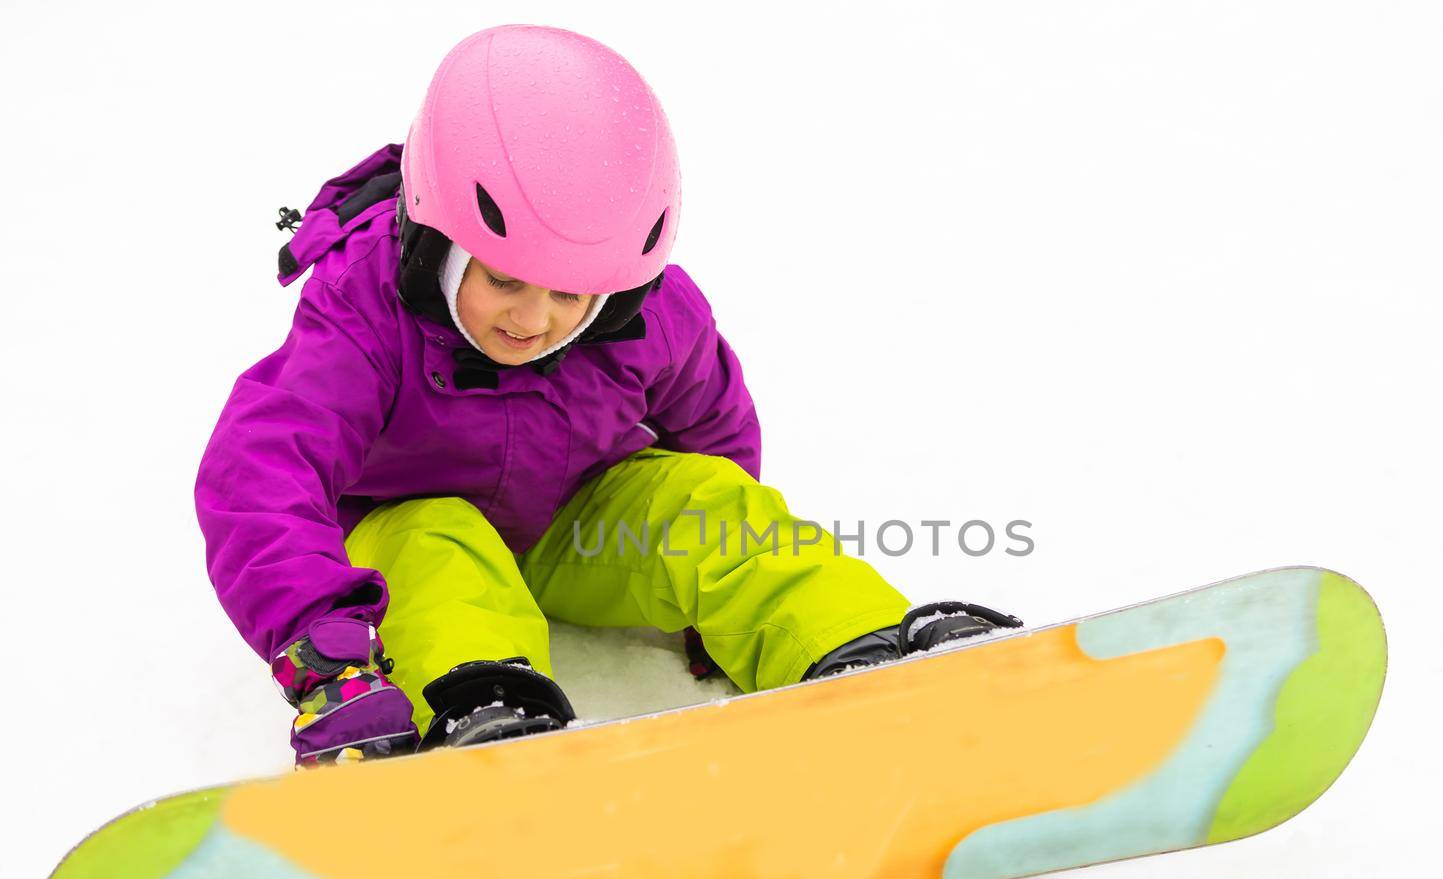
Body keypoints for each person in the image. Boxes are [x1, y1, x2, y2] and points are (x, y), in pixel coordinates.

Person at [195, 25, 1022, 767]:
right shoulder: (362, 308)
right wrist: (324, 648)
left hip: (572, 521)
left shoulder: (649, 313)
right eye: (505, 278)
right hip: (408, 528)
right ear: (437, 234)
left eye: (572, 294)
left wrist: (707, 595)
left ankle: (856, 647)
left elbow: (714, 430)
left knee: (697, 498)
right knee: (435, 540)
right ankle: (484, 712)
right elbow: (261, 470)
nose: (535, 317)